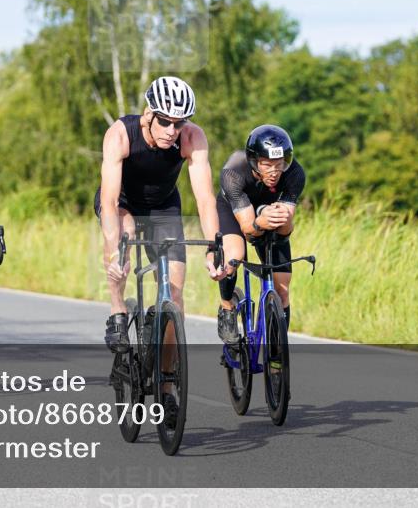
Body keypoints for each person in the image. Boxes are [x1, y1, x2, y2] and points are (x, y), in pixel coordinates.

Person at [96, 76, 224, 355]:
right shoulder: (120, 134)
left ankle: (167, 389)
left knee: (175, 294)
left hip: (162, 207)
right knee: (124, 237)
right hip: (123, 203)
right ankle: (117, 310)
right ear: (148, 115)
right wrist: (115, 253)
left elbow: (204, 199)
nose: (171, 130)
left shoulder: (192, 137)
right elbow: (109, 201)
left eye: (179, 123)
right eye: (164, 121)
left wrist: (215, 246)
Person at [215, 125, 306, 345]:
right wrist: (260, 220)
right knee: (233, 258)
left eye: (279, 164)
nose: (274, 172)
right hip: (236, 211)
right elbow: (248, 230)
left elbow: (285, 230)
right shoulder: (233, 172)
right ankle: (227, 307)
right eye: (267, 165)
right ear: (254, 161)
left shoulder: (294, 173)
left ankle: (277, 352)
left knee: (282, 288)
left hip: (267, 213)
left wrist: (281, 219)